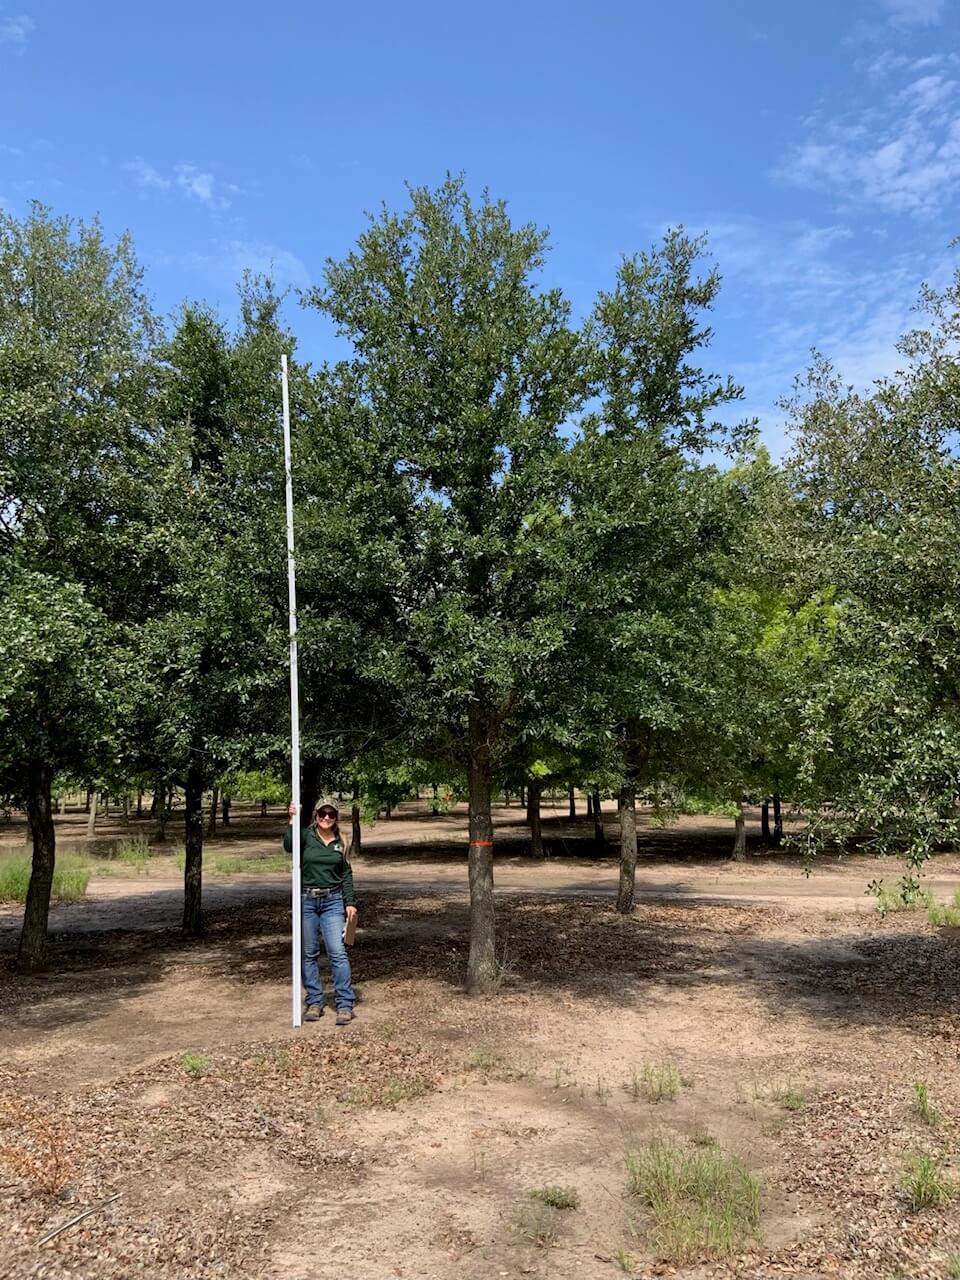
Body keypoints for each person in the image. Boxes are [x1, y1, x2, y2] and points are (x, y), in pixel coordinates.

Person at [284, 801, 357, 1026]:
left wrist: (350, 902)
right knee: (309, 953)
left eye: (331, 814)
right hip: (307, 901)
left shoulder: (341, 840)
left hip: (333, 901)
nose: (326, 818)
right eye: (322, 813)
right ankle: (315, 1001)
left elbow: (346, 872)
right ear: (316, 815)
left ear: (336, 817)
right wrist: (292, 820)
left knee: (337, 952)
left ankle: (344, 1004)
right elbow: (289, 846)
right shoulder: (306, 835)